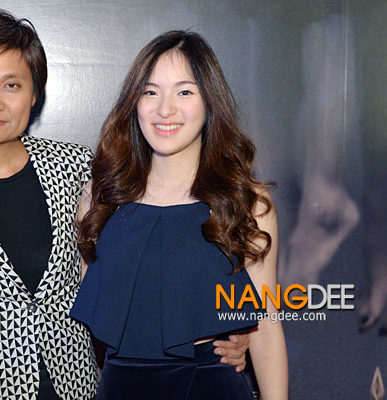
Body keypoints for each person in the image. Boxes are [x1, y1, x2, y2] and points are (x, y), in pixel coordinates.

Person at [0, 10, 251, 400]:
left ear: (34, 93)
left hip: (75, 386)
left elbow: (144, 266)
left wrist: (226, 328)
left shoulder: (77, 170)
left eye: (11, 85)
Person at [71, 30, 288, 399]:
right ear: (134, 102)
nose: (165, 109)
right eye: (150, 92)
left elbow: (266, 329)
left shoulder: (246, 201)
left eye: (184, 92)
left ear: (209, 102)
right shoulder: (101, 197)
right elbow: (98, 318)